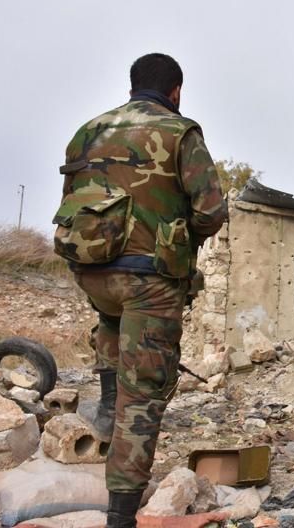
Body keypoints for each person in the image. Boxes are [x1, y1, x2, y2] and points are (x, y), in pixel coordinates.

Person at [53, 53, 226, 528]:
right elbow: (211, 212)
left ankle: (108, 409)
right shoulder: (180, 132)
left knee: (112, 327)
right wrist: (179, 239)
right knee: (143, 391)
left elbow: (72, 203)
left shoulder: (88, 131)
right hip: (148, 281)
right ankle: (121, 515)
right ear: (176, 91)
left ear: (132, 86)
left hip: (92, 272)